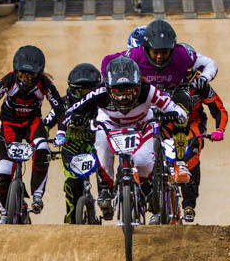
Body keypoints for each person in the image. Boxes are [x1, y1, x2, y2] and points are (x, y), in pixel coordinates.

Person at [64, 56, 187, 224]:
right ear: (108, 87)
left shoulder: (148, 90)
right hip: (109, 124)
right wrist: (74, 118)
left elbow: (175, 108)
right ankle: (105, 190)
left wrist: (176, 114)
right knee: (101, 142)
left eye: (129, 90)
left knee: (142, 160)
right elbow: (71, 111)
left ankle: (148, 188)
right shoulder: (99, 92)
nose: (123, 97)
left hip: (142, 124)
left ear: (138, 86)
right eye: (117, 91)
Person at [0, 46, 65, 223]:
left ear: (39, 74)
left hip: (32, 124)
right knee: (3, 171)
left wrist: (62, 132)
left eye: (31, 76)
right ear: (15, 71)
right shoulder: (8, 81)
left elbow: (60, 110)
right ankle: (3, 212)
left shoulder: (45, 84)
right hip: (9, 124)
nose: (26, 79)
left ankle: (38, 196)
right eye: (22, 74)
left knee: (43, 150)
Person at [167, 67, 228, 222]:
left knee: (191, 156)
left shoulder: (200, 83)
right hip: (166, 125)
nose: (183, 79)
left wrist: (220, 129)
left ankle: (189, 205)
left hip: (193, 125)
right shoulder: (161, 79)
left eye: (187, 74)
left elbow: (218, 108)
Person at [102, 20, 218, 95]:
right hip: (144, 98)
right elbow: (107, 60)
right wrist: (109, 83)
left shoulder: (182, 54)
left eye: (164, 52)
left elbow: (210, 64)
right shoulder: (136, 54)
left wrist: (203, 79)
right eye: (155, 52)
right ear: (146, 48)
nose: (159, 56)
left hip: (177, 99)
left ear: (172, 49)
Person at [60, 63, 103, 223]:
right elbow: (47, 121)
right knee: (72, 186)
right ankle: (72, 219)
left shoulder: (102, 104)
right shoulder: (64, 103)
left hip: (94, 147)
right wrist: (41, 141)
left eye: (88, 91)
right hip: (71, 151)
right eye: (80, 90)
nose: (84, 95)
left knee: (104, 175)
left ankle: (106, 200)